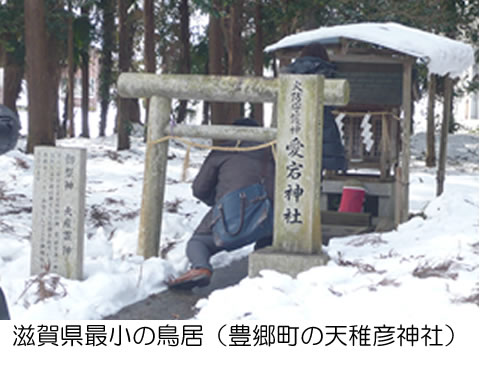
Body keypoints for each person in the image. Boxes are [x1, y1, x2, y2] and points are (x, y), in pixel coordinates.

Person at [167, 118, 275, 290]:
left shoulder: (222, 152)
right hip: (269, 217)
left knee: (198, 242)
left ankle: (201, 268)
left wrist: (218, 202)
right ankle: (267, 269)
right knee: (270, 235)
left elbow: (200, 189)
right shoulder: (272, 151)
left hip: (231, 215)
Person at [280, 43, 347, 173]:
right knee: (316, 173)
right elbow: (335, 102)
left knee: (295, 168)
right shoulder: (327, 72)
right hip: (321, 125)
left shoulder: (290, 73)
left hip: (293, 124)